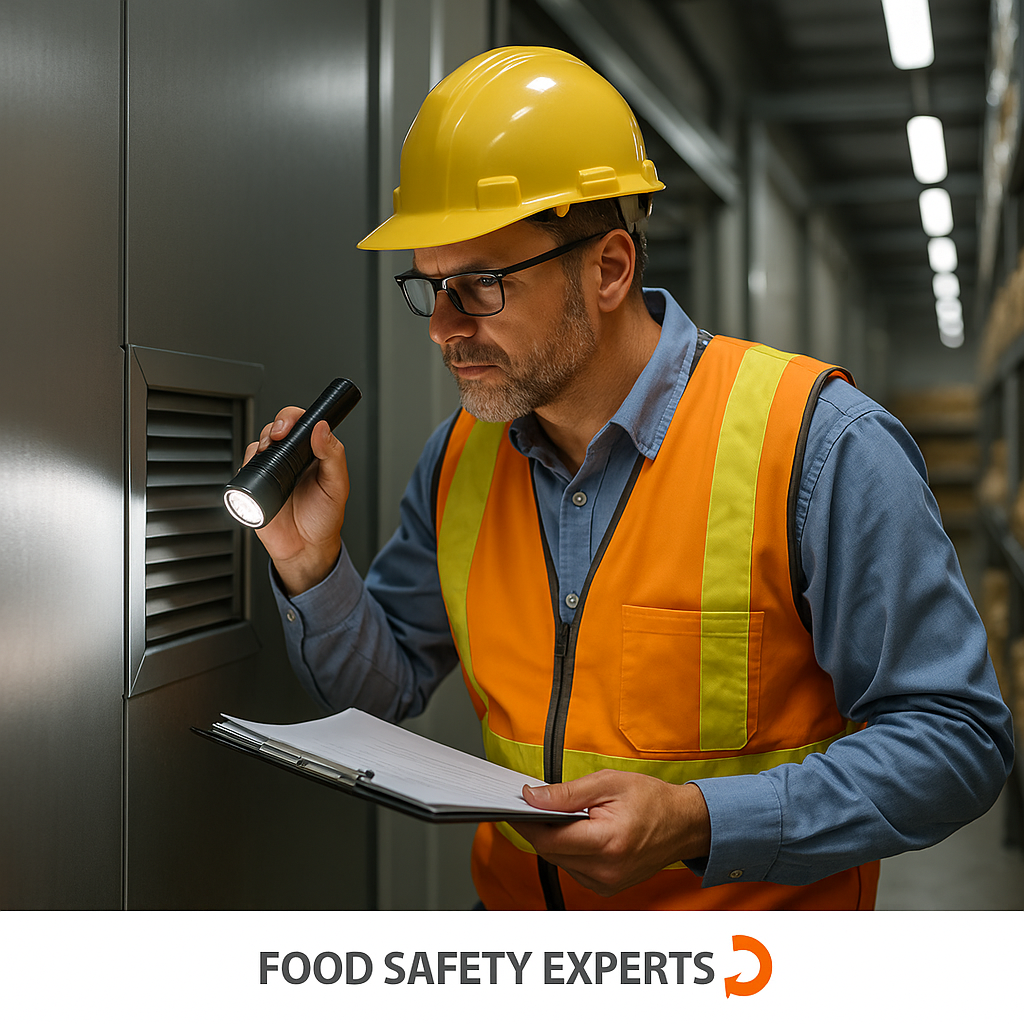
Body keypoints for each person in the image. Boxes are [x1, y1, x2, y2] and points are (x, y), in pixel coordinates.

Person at [247, 46, 1014, 910]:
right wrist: (311, 567)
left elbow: (955, 742)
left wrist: (699, 820)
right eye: (429, 288)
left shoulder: (819, 446)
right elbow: (380, 691)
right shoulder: (461, 458)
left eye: (481, 286)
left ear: (609, 268)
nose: (443, 329)